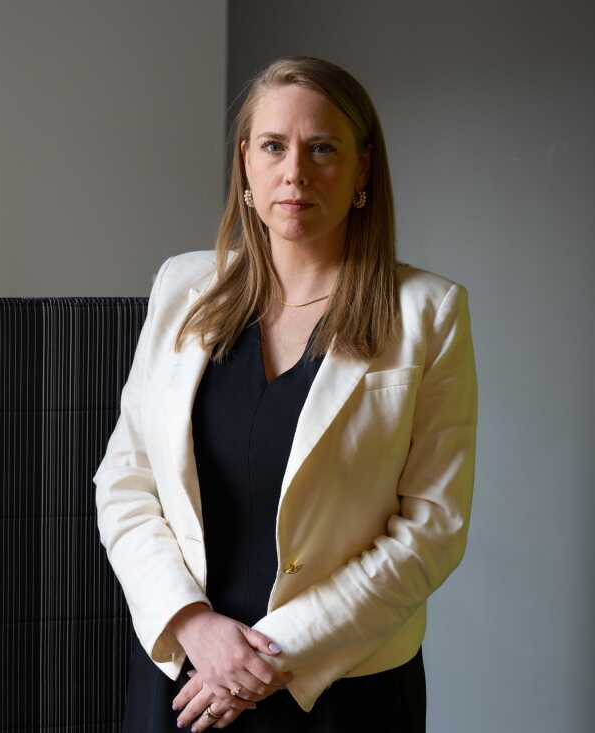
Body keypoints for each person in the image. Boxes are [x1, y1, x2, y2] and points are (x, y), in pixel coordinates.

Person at [93, 55, 478, 732]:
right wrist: (193, 624)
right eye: (274, 146)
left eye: (322, 148)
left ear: (363, 168)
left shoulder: (427, 312)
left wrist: (270, 655)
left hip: (342, 690)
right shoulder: (181, 287)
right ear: (246, 163)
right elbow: (125, 482)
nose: (294, 171)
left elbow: (432, 528)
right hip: (186, 680)